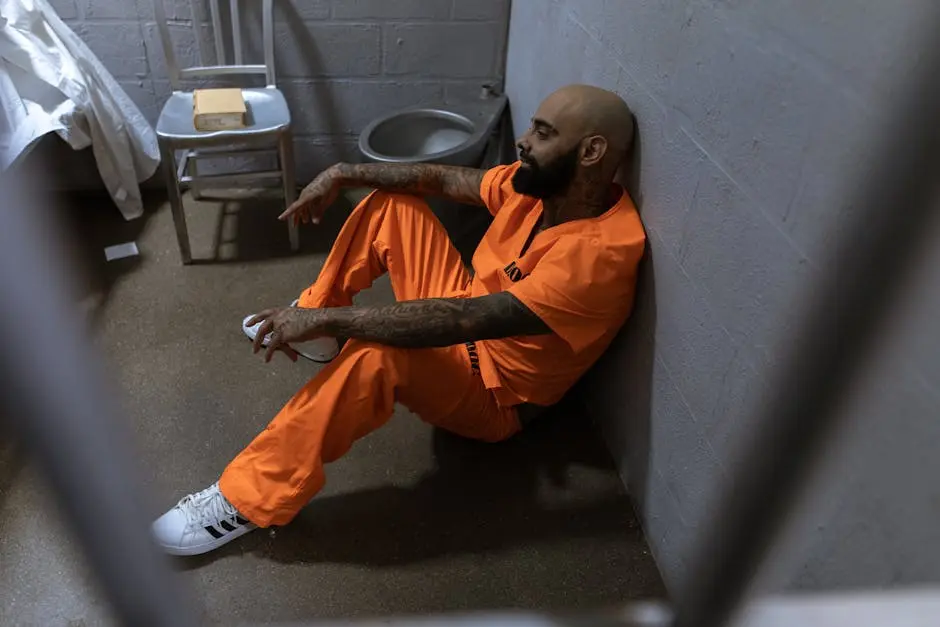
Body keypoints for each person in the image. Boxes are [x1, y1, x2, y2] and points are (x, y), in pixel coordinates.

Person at [152, 84, 646, 556]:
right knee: (394, 206)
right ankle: (317, 325)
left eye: (543, 132)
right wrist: (345, 171)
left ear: (591, 152)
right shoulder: (539, 189)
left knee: (379, 352)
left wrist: (340, 321)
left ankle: (244, 498)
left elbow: (461, 321)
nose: (524, 140)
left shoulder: (599, 258)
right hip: (466, 311)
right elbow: (444, 180)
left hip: (492, 392)